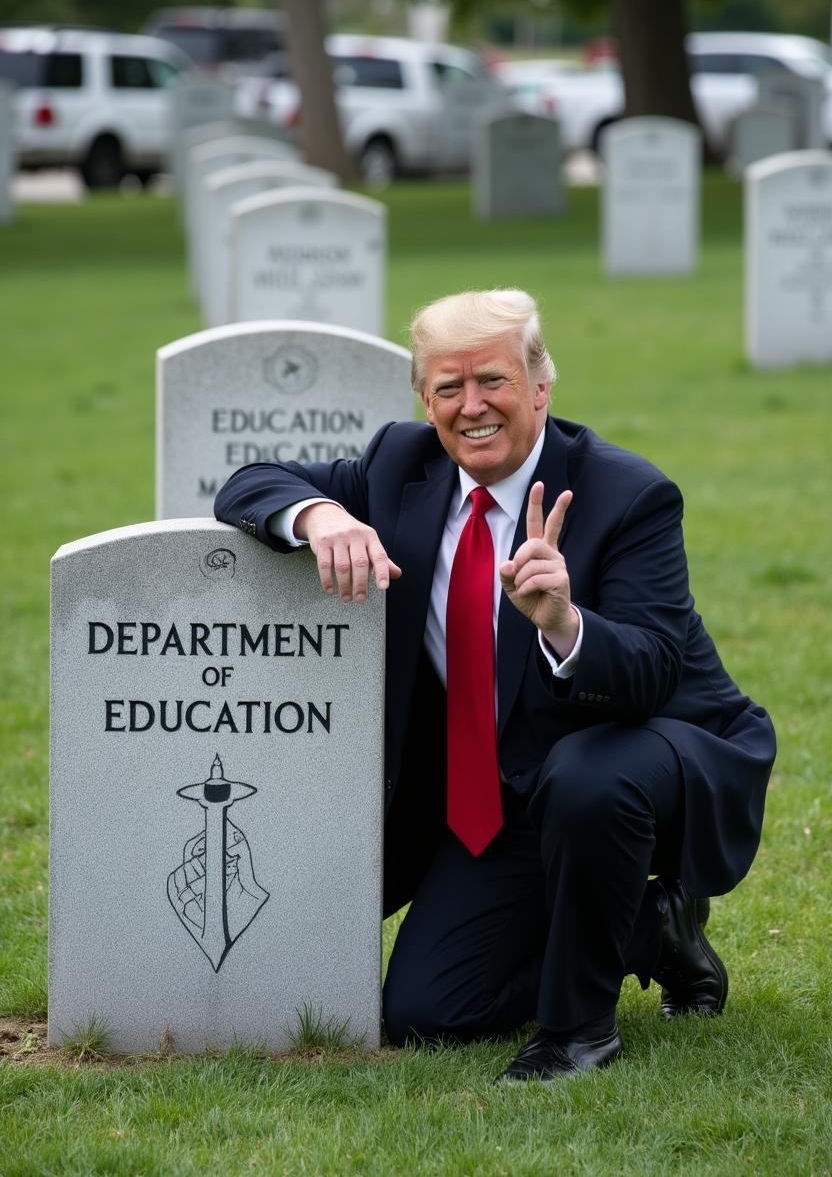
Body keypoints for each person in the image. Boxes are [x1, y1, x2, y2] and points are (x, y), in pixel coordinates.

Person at [215, 289, 776, 1082]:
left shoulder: (629, 495)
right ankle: (652, 929)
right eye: (449, 387)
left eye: (493, 381)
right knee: (426, 1014)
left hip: (650, 753)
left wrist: (564, 623)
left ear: (540, 386)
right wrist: (318, 516)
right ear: (424, 399)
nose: (472, 407)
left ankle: (579, 1034)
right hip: (505, 794)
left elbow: (655, 671)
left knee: (588, 776)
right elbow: (248, 482)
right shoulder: (398, 466)